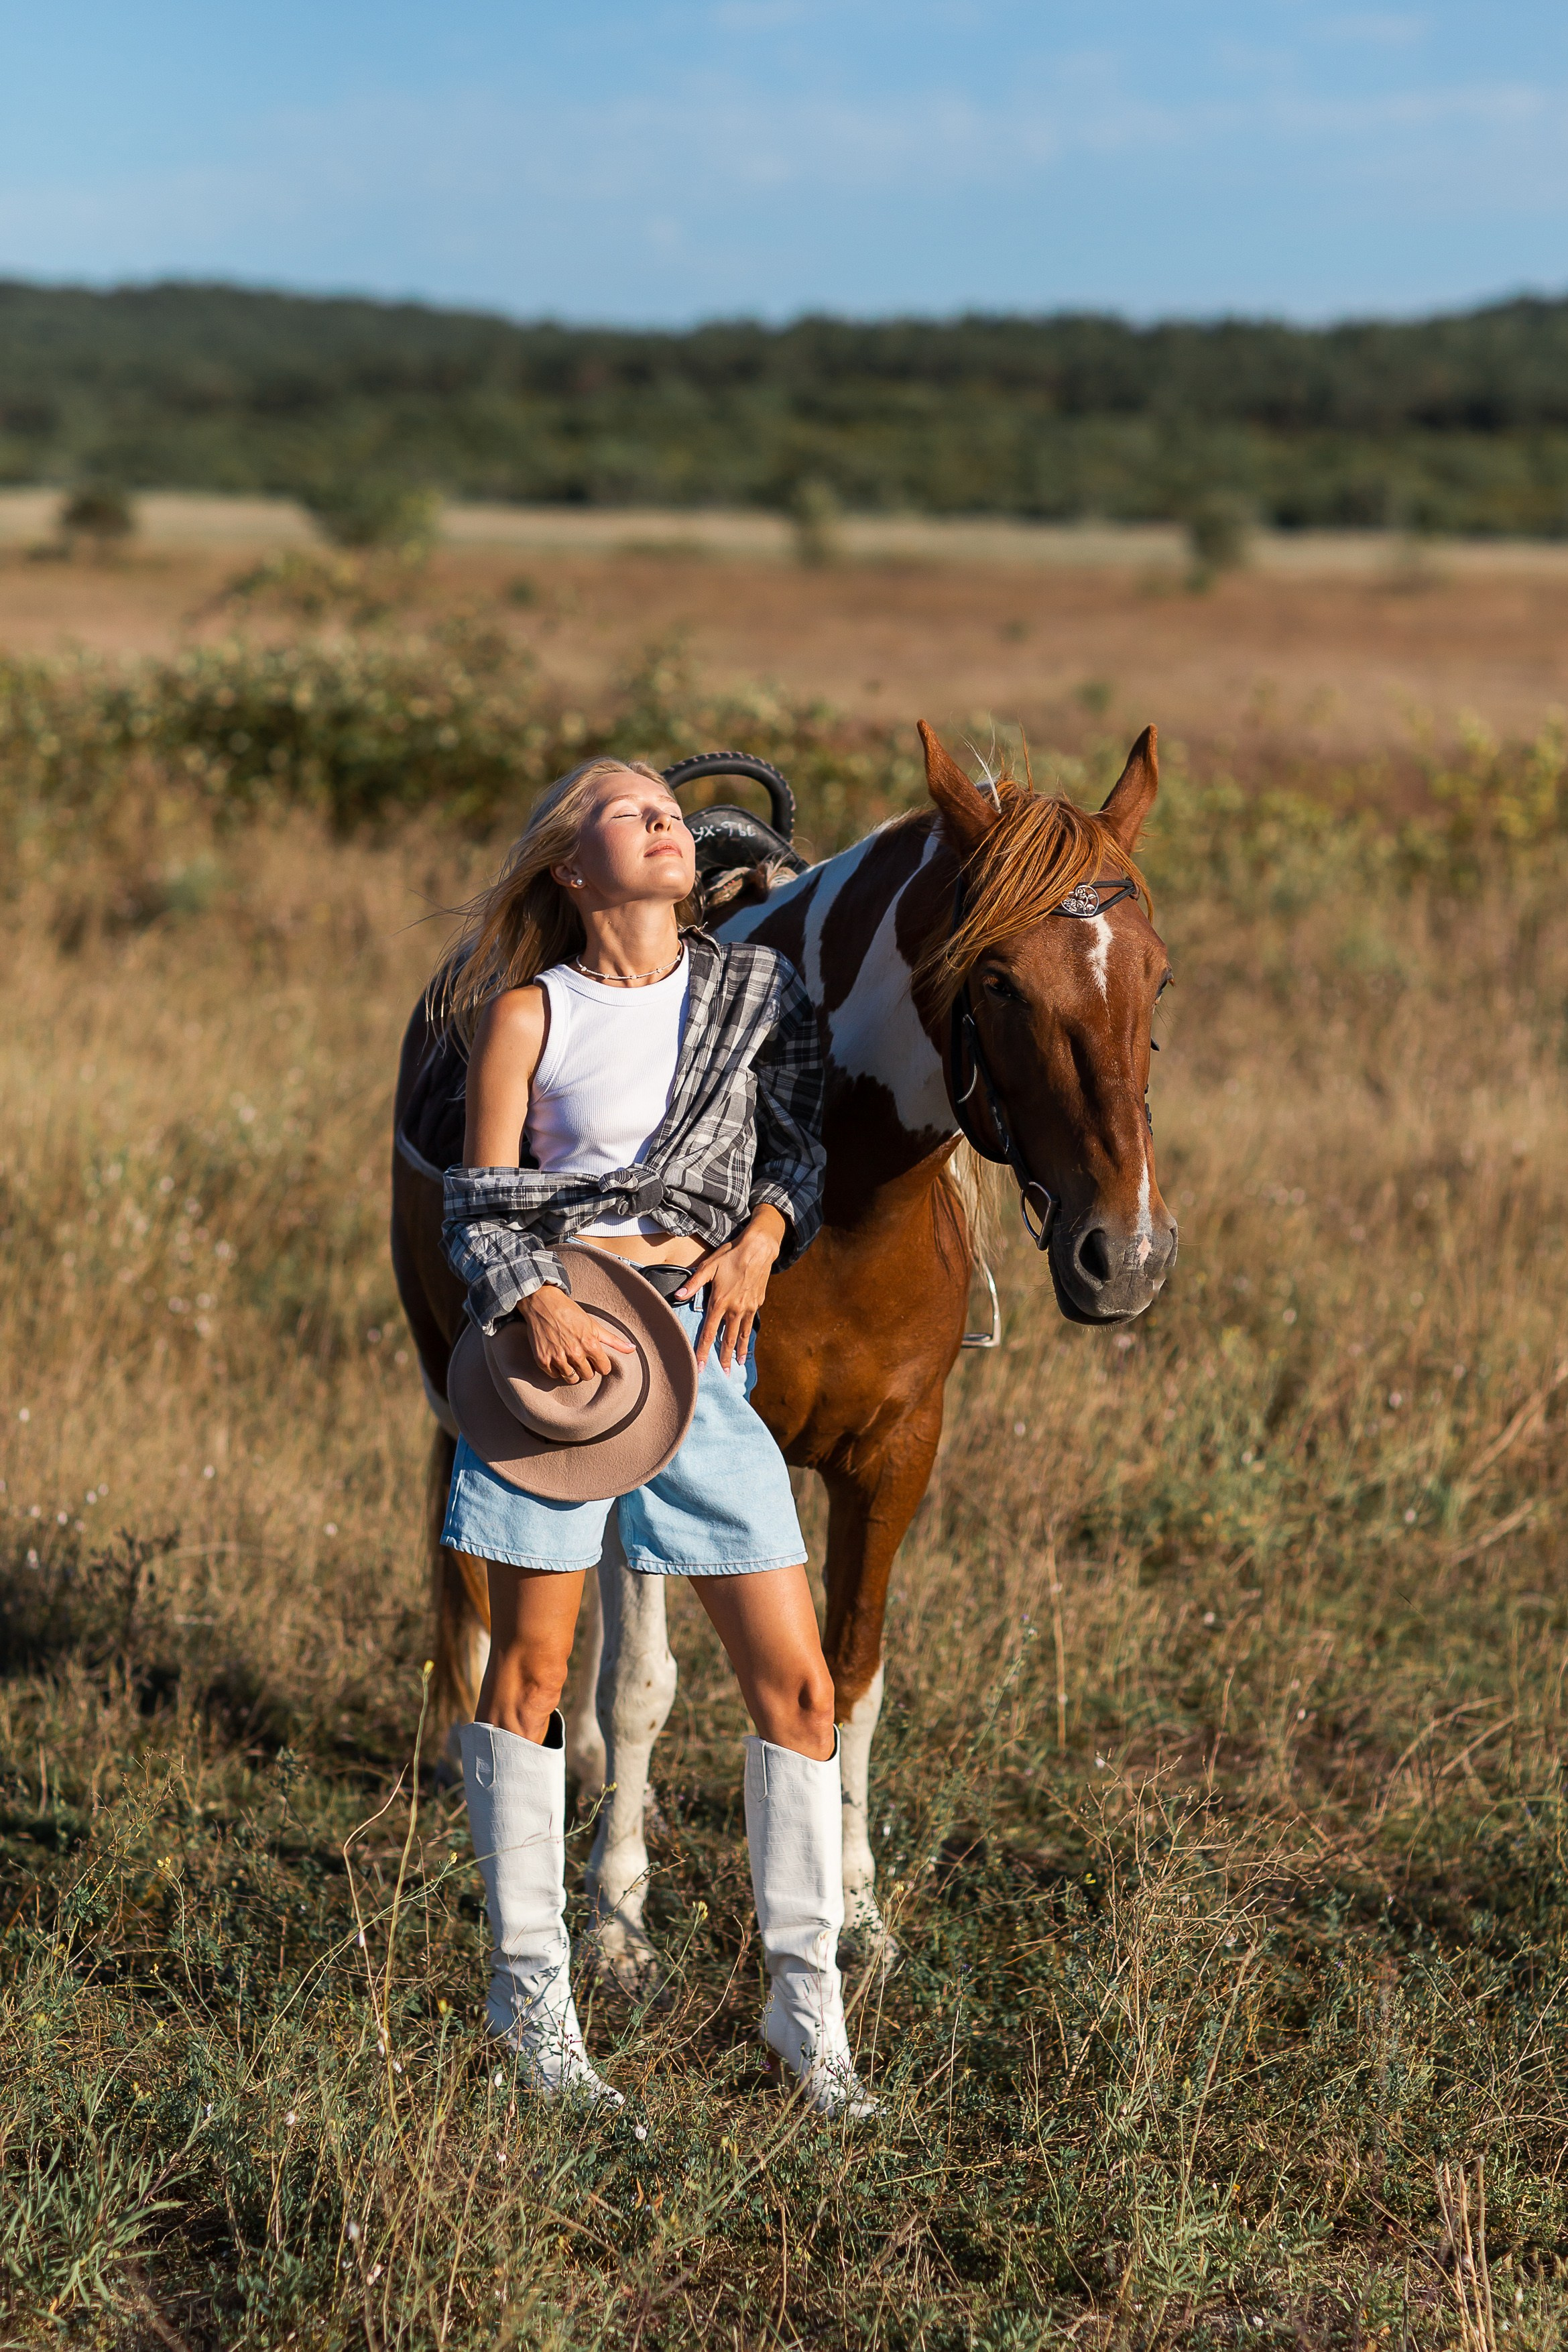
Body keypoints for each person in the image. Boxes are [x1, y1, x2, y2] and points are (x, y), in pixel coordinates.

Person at [434, 756, 874, 2119]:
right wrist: (537, 1301)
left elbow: (800, 1146)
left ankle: (810, 2026)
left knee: (798, 1690)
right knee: (534, 1674)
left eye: (672, 812)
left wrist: (759, 1237)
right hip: (551, 1365)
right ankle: (535, 2013)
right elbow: (481, 1204)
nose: (668, 822)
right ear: (572, 866)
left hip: (703, 1354)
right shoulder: (526, 1013)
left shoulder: (758, 992)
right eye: (632, 813)